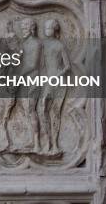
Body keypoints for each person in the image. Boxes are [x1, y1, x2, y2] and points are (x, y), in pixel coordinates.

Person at [3, 18, 42, 152]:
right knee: (26, 110)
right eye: (22, 29)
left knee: (31, 110)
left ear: (32, 29)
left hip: (32, 80)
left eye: (25, 28)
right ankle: (31, 141)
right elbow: (17, 53)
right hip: (24, 81)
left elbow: (32, 64)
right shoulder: (24, 43)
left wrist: (18, 75)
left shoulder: (36, 43)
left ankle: (37, 144)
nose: (23, 31)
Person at [39, 19, 70, 154]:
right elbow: (40, 63)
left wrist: (58, 74)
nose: (47, 30)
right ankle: (48, 142)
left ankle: (55, 144)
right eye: (46, 27)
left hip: (58, 80)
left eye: (49, 27)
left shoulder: (60, 45)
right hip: (47, 80)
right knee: (43, 108)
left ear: (54, 29)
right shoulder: (43, 45)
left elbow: (67, 66)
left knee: (56, 112)